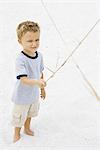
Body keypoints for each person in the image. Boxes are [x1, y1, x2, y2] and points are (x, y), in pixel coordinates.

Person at [11, 21, 46, 143]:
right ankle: (16, 133)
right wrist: (37, 83)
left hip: (33, 94)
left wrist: (42, 88)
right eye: (30, 41)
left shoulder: (39, 56)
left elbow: (40, 72)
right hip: (22, 96)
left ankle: (27, 128)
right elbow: (23, 79)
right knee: (19, 116)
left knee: (31, 113)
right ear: (20, 41)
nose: (34, 44)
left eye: (37, 40)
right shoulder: (20, 59)